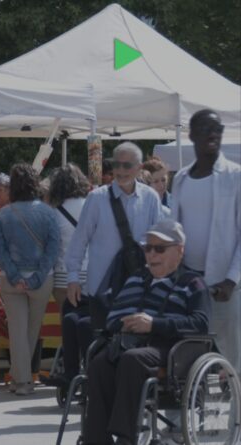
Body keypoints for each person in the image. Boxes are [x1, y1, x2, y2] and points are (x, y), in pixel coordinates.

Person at [82, 220, 210, 445]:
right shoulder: (136, 279)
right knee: (100, 364)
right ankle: (96, 439)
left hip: (171, 348)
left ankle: (126, 437)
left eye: (159, 248)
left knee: (133, 360)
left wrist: (155, 324)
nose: (152, 254)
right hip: (129, 342)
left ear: (179, 251)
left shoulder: (193, 283)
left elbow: (200, 323)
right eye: (148, 248)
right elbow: (113, 315)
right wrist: (122, 323)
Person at [64, 143, 162, 388]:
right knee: (103, 347)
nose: (120, 170)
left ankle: (128, 397)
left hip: (138, 288)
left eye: (127, 165)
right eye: (116, 164)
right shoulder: (96, 198)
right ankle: (101, 397)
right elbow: (80, 240)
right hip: (102, 290)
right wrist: (73, 278)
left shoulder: (150, 198)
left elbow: (158, 239)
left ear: (139, 168)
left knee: (135, 345)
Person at [169, 109, 241, 373]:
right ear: (191, 135)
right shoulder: (180, 178)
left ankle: (237, 415)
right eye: (206, 128)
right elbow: (175, 229)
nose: (214, 134)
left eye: (218, 129)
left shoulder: (235, 176)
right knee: (186, 353)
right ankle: (187, 412)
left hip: (226, 285)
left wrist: (232, 279)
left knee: (234, 358)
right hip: (189, 283)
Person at [0, 163, 60, 395]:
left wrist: (13, 275)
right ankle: (23, 379)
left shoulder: (3, 214)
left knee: (17, 332)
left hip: (11, 279)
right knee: (31, 331)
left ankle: (20, 380)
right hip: (41, 279)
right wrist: (38, 276)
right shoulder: (49, 212)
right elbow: (53, 248)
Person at [46, 164, 92, 387]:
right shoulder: (91, 205)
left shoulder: (54, 212)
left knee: (67, 322)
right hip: (91, 271)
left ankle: (70, 367)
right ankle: (89, 363)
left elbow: (53, 246)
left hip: (64, 273)